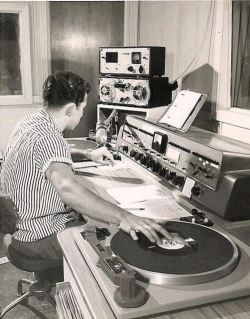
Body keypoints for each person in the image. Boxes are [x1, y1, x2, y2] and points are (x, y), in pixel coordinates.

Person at [0, 71, 172, 263]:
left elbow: (43, 156)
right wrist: (124, 216)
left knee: (100, 216)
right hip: (39, 237)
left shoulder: (31, 122)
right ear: (70, 109)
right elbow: (67, 189)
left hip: (21, 226)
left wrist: (88, 154)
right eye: (82, 108)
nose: (82, 114)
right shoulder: (50, 138)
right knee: (117, 245)